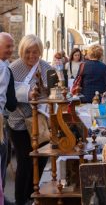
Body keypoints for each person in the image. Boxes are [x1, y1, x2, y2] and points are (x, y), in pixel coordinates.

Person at [8, 34, 51, 205]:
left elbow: (53, 90)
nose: (32, 56)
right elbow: (9, 95)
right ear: (22, 51)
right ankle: (21, 199)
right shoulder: (13, 68)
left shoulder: (46, 68)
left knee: (42, 158)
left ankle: (32, 195)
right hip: (18, 121)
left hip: (39, 122)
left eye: (35, 52)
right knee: (25, 162)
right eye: (28, 52)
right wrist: (27, 93)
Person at [0, 32, 17, 205]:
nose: (11, 50)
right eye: (8, 47)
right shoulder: (4, 68)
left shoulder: (5, 65)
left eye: (12, 46)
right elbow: (8, 101)